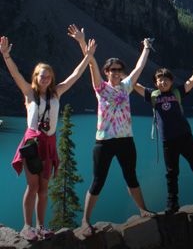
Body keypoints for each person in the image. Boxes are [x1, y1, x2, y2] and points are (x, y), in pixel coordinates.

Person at [0, 34, 96, 241]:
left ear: (51, 78)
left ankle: (41, 226)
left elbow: (75, 75)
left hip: (49, 144)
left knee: (44, 189)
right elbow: (15, 74)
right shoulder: (28, 93)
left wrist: (87, 56)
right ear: (35, 77)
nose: (45, 79)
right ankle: (27, 227)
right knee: (32, 187)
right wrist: (6, 56)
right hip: (32, 145)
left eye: (48, 76)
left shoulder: (57, 93)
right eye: (41, 76)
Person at [68, 25, 154, 236]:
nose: (116, 72)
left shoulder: (126, 86)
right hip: (104, 142)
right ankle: (85, 221)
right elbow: (91, 64)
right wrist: (82, 42)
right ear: (106, 72)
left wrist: (145, 47)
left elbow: (139, 68)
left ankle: (143, 210)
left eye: (118, 69)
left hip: (126, 140)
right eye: (112, 69)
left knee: (131, 177)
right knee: (97, 181)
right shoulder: (101, 88)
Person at [134, 49, 193, 214]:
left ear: (171, 81)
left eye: (166, 79)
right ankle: (172, 202)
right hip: (168, 141)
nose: (163, 82)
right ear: (155, 83)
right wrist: (143, 53)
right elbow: (133, 83)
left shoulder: (177, 92)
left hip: (185, 137)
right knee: (171, 173)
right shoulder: (152, 95)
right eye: (160, 80)